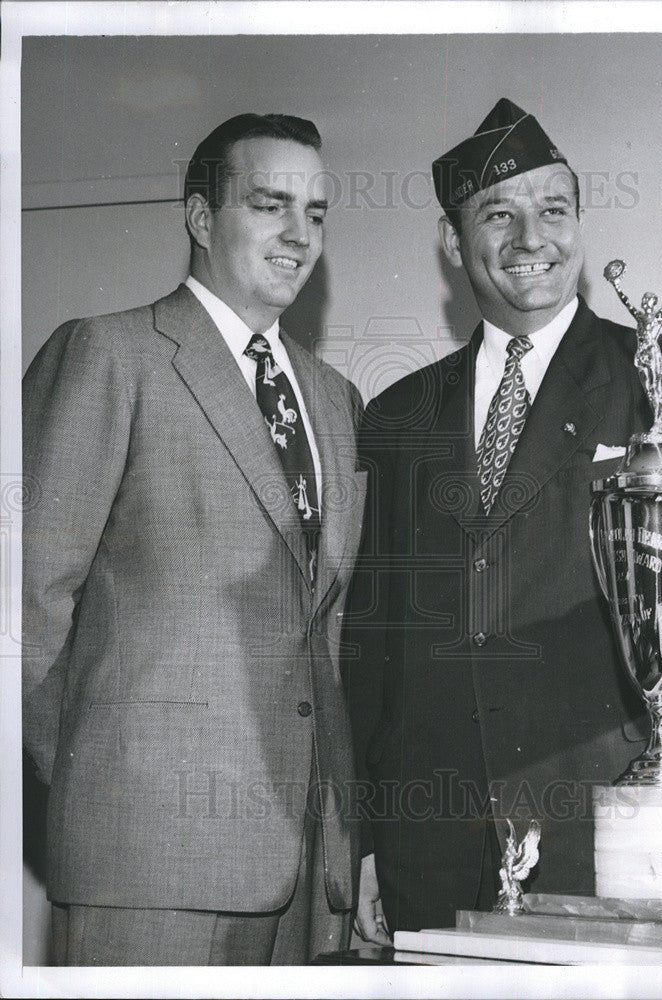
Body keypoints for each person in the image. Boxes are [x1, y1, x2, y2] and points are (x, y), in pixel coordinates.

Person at [343, 99, 662, 938]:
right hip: (435, 846)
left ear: (580, 224)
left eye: (554, 210)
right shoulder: (393, 418)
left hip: (623, 834)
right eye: (499, 214)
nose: (532, 238)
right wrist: (365, 846)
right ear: (455, 243)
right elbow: (371, 650)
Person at [22, 113, 367, 965]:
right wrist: (95, 783)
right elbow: (24, 602)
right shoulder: (110, 353)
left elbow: (324, 634)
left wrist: (343, 839)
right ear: (202, 219)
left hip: (303, 866)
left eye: (316, 212)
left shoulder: (335, 399)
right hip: (144, 854)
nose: (299, 233)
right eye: (270, 203)